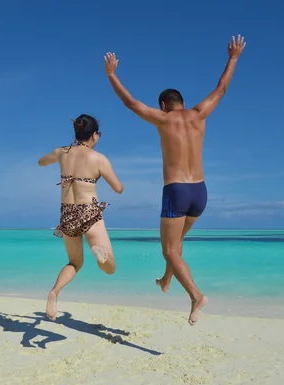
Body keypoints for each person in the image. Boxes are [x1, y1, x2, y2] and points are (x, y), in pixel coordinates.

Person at [104, 35, 246, 325]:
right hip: (200, 192)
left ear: (163, 104)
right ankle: (166, 281)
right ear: (181, 102)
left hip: (176, 190)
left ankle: (195, 296)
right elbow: (221, 88)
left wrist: (112, 75)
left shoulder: (163, 119)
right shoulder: (199, 114)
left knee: (169, 249)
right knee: (177, 243)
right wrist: (233, 58)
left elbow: (130, 102)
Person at [38, 114, 124, 321]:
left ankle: (54, 292)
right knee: (110, 268)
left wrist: (59, 158)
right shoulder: (99, 159)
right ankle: (99, 253)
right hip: (89, 212)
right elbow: (118, 188)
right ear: (94, 135)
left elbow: (41, 162)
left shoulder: (62, 153)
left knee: (74, 263)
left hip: (67, 214)